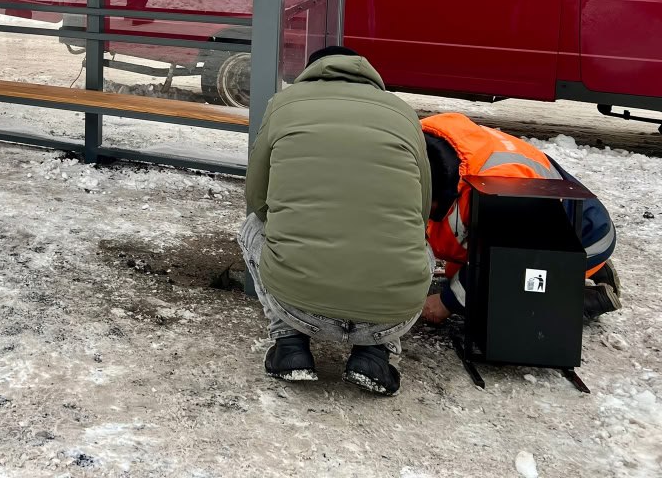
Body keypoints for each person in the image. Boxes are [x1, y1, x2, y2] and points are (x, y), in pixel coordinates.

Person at [240, 46, 432, 396]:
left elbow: (256, 199)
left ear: (311, 72)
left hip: (297, 304)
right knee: (417, 244)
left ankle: (289, 345)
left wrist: (294, 227)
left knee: (251, 228)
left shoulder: (284, 105)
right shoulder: (404, 114)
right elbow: (420, 214)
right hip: (391, 314)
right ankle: (375, 354)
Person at [420, 113, 621, 323]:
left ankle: (586, 297)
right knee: (461, 276)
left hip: (586, 237)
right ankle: (583, 272)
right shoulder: (418, 141)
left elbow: (502, 263)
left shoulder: (500, 186)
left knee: (508, 305)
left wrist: (446, 303)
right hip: (529, 225)